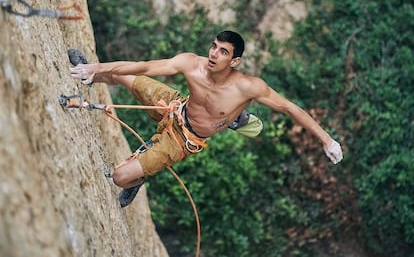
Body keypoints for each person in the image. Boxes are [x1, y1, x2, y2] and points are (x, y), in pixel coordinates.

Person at [70, 30, 343, 207]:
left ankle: (138, 178)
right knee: (126, 76)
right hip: (174, 106)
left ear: (234, 61)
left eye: (223, 52)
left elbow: (291, 109)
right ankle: (90, 72)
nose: (214, 54)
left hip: (182, 140)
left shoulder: (247, 87)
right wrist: (99, 67)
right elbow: (148, 66)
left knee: (119, 176)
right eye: (214, 47)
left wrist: (327, 140)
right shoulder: (193, 63)